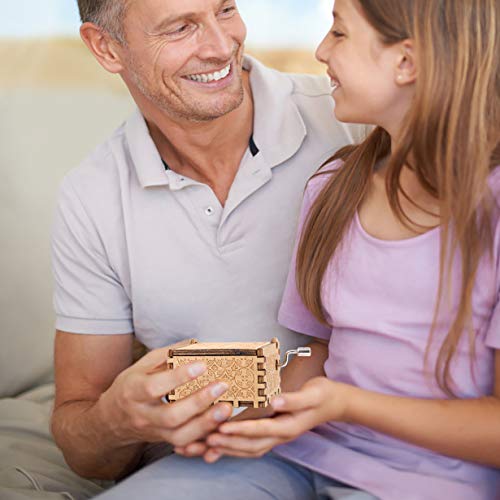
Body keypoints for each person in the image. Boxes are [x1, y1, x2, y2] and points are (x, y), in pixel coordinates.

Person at [96, 0, 500, 499]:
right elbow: (322, 353)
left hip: (429, 480)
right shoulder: (334, 186)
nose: (320, 51)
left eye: (340, 33)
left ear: (406, 62)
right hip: (298, 453)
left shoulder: (490, 210)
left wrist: (344, 404)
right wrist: (221, 403)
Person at [50, 0, 366, 491]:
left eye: (225, 9)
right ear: (106, 48)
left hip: (386, 434)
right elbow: (82, 439)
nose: (222, 47)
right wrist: (117, 419)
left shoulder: (357, 117)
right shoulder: (90, 197)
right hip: (234, 458)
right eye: (180, 28)